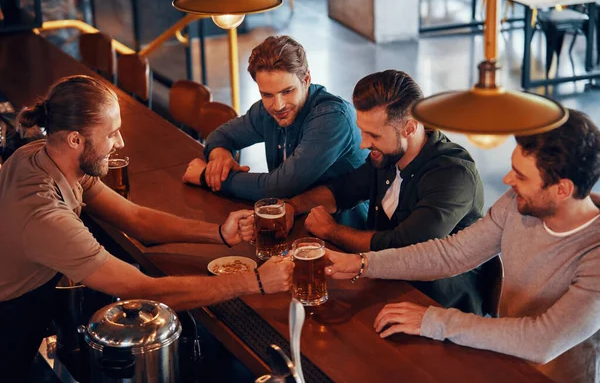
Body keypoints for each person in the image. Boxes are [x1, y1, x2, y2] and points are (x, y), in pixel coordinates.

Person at [0, 75, 294, 377]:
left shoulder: (43, 155)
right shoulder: (44, 214)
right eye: (112, 133)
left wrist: (218, 233)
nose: (120, 142)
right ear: (75, 139)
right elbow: (143, 290)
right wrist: (255, 281)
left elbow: (135, 219)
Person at [326, 109, 600, 383]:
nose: (507, 180)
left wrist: (434, 321)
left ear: (562, 190)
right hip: (499, 357)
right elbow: (453, 253)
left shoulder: (594, 252)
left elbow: (541, 342)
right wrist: (363, 263)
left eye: (521, 176)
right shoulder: (518, 204)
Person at [283, 70, 486, 314]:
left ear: (409, 128)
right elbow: (343, 189)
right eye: (362, 130)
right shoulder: (388, 156)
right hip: (384, 286)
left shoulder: (453, 175)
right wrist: (291, 207)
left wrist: (332, 231)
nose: (363, 143)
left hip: (437, 305)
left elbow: (406, 246)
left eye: (373, 135)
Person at [182, 35, 368, 227]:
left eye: (287, 91)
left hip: (345, 234)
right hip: (293, 222)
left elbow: (280, 187)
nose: (278, 105)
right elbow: (221, 136)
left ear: (306, 79)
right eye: (267, 94)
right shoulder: (266, 110)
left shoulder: (332, 118)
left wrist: (207, 177)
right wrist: (219, 159)